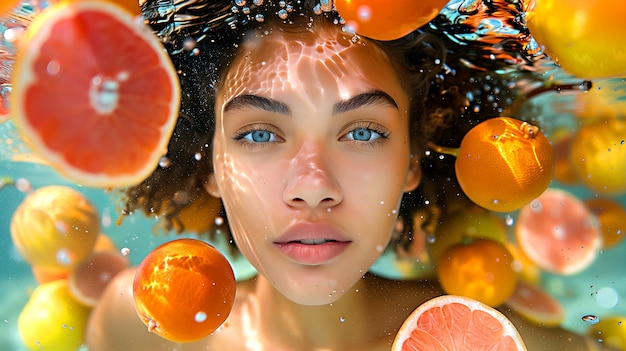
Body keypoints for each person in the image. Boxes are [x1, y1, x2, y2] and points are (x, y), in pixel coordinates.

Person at [88, 1, 614, 350]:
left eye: (362, 132)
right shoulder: (135, 326)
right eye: (260, 134)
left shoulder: (505, 344)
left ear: (412, 160)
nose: (313, 186)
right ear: (212, 169)